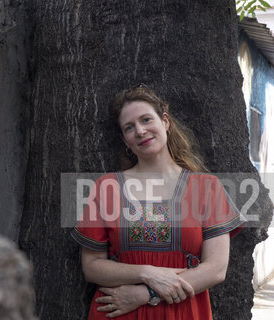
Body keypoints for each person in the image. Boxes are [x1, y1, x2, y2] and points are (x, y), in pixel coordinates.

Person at [71, 85, 245, 319]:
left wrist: (147, 293)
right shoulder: (106, 187)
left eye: (146, 120)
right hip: (118, 312)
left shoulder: (207, 187)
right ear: (125, 139)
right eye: (129, 127)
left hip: (181, 311)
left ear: (165, 122)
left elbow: (215, 270)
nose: (140, 131)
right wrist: (147, 273)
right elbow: (92, 266)